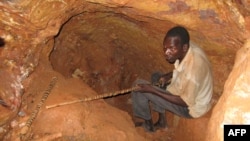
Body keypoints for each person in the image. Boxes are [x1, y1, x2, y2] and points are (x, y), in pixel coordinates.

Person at [131, 26, 213, 132]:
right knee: (157, 76)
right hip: (186, 90)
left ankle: (148, 125)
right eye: (165, 48)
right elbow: (184, 69)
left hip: (191, 108)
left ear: (184, 47)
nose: (166, 53)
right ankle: (162, 122)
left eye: (172, 49)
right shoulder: (189, 48)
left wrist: (152, 90)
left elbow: (186, 101)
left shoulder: (194, 69)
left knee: (138, 86)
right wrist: (169, 76)